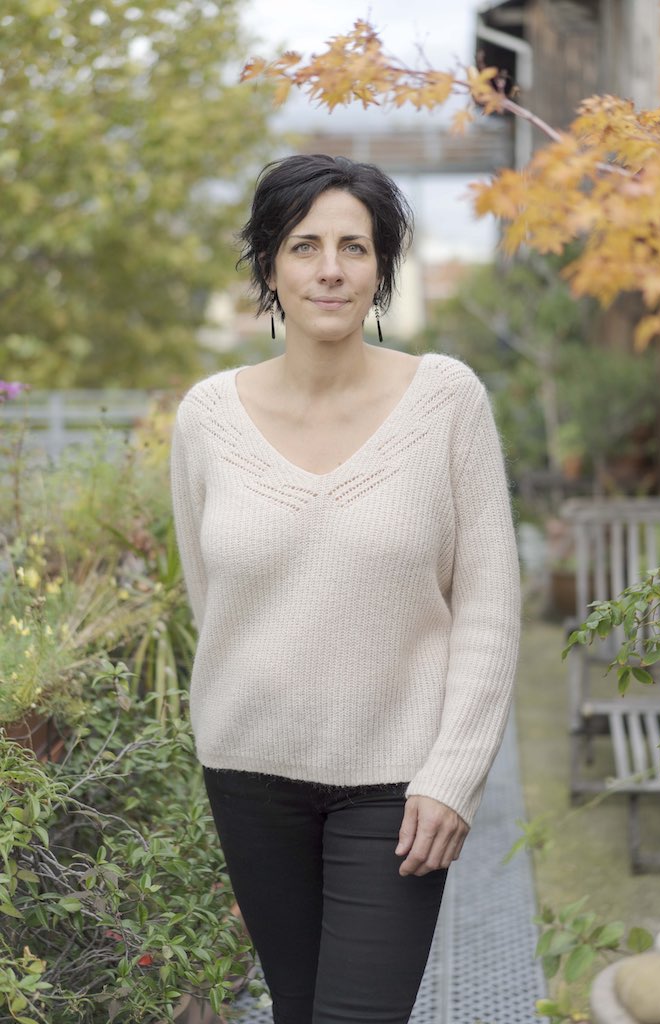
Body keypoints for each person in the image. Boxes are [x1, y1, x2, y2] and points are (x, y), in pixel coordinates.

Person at [170, 153, 520, 1024]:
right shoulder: (207, 418)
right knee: (295, 1010)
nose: (329, 269)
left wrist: (454, 773)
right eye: (304, 246)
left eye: (353, 247)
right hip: (249, 773)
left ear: (380, 268)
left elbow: (487, 607)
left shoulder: (446, 402)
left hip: (399, 784)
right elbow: (212, 598)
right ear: (268, 267)